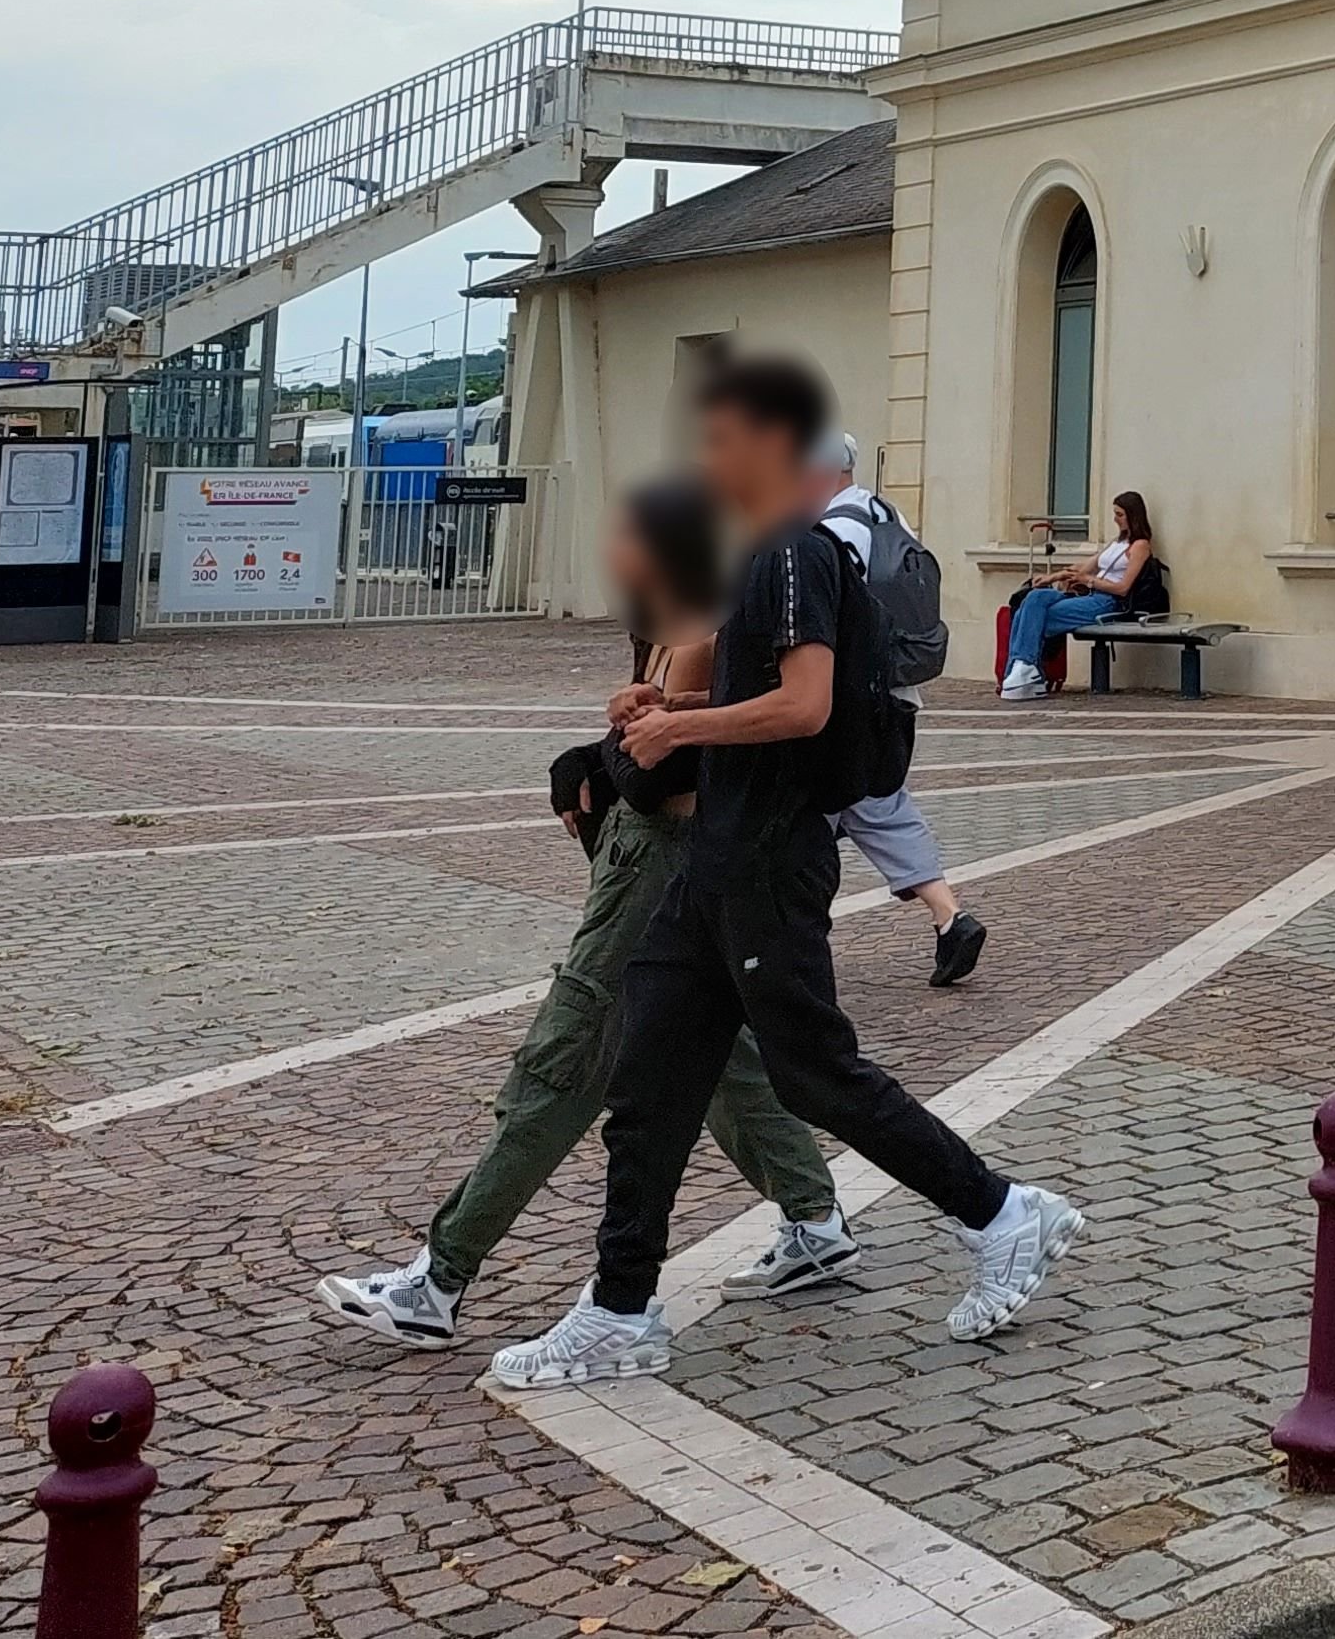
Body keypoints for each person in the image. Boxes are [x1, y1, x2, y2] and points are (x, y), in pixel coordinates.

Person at [486, 355, 1082, 1388]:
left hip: (771, 855)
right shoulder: (766, 557)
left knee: (813, 1072)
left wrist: (680, 731)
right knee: (651, 1077)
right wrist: (658, 705)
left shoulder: (800, 555)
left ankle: (999, 1211)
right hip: (719, 857)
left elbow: (803, 706)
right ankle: (618, 1309)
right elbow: (736, 661)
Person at [316, 473, 853, 1343]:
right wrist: (603, 752)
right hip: (664, 858)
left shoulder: (708, 623)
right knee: (717, 1059)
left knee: (564, 1060)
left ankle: (439, 1278)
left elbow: (671, 762)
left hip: (656, 865)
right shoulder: (678, 617)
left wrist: (615, 752)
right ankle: (815, 1219)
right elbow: (649, 745)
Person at [813, 431, 984, 987]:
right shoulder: (888, 515)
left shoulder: (833, 532)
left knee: (809, 815)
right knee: (883, 805)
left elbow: (825, 619)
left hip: (847, 702)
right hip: (900, 693)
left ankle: (796, 938)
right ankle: (950, 917)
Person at [998, 491, 1162, 701]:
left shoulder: (1140, 546)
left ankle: (1023, 671)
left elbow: (1123, 587)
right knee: (1034, 599)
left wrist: (1089, 581)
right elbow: (1084, 567)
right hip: (1089, 595)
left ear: (1133, 515)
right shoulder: (1115, 543)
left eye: (1120, 514)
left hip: (1107, 601)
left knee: (1029, 616)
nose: (1115, 519)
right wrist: (1052, 577)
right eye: (1115, 514)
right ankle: (1026, 671)